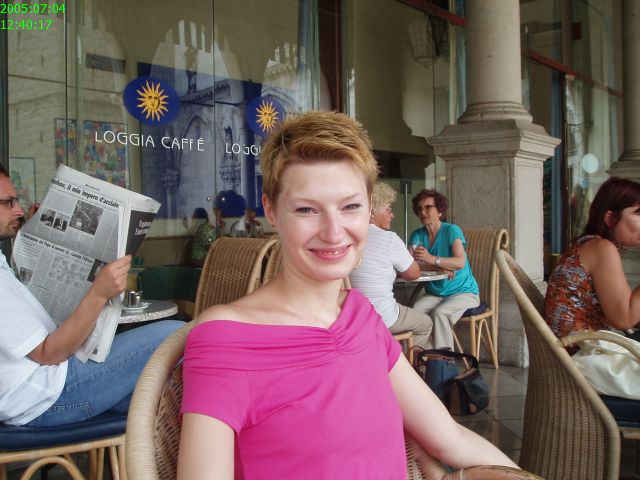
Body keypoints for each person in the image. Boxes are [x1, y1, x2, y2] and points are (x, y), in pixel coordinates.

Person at [178, 111, 517, 479]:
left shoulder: (360, 315)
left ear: (369, 207)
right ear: (271, 211)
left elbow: (451, 439)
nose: (334, 232)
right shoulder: (227, 338)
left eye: (350, 206)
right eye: (307, 209)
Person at [0, 165, 182, 427]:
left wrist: (39, 233)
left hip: (45, 385)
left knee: (158, 392)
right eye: (9, 202)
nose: (18, 210)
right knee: (177, 332)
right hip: (45, 399)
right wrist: (98, 294)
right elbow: (48, 354)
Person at [544, 177, 640, 399]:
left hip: (584, 351)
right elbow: (625, 320)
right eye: (638, 213)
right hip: (585, 359)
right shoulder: (602, 248)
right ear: (610, 217)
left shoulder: (588, 243)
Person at [349, 182, 434, 350]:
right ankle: (403, 362)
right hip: (382, 317)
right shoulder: (389, 239)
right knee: (425, 323)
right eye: (388, 209)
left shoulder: (348, 238)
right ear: (371, 213)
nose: (393, 215)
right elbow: (413, 274)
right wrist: (402, 264)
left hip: (352, 318)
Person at [409, 189, 480, 350]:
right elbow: (411, 265)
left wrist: (432, 259)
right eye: (420, 208)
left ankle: (444, 359)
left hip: (464, 293)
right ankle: (423, 356)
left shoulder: (451, 230)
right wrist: (438, 266)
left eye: (428, 207)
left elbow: (460, 262)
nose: (423, 212)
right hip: (436, 294)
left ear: (440, 211)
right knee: (416, 311)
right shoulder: (417, 235)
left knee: (440, 313)